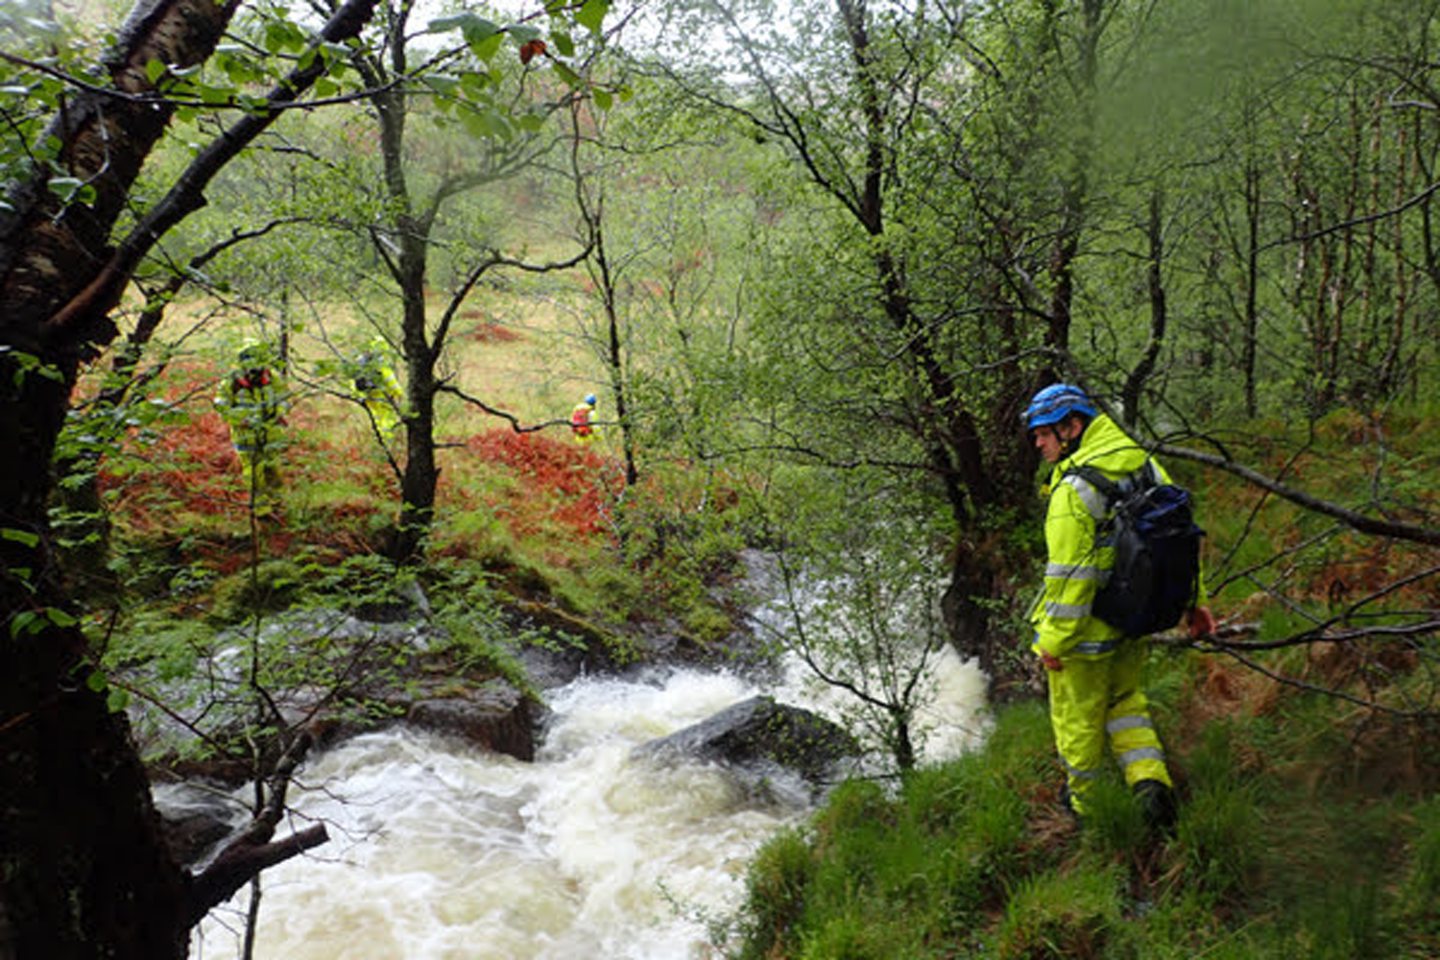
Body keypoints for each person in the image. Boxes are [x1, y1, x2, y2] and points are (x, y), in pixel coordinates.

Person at [1023, 382, 1216, 833]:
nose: (1037, 442)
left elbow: (1070, 581)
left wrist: (1052, 642)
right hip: (1136, 619)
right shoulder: (1144, 464)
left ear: (1072, 427)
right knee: (1126, 702)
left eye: (1044, 432)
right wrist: (1196, 605)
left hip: (1086, 636)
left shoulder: (1073, 492)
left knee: (1078, 721)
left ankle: (1088, 810)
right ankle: (1151, 786)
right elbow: (1180, 541)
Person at [215, 340, 288, 514]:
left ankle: (278, 504)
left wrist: (278, 414)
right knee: (254, 473)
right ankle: (261, 508)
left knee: (274, 469)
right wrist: (242, 420)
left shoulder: (273, 377)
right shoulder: (231, 381)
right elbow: (221, 405)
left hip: (271, 433)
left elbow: (282, 398)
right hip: (245, 435)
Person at [349, 337, 404, 442]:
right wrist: (398, 393)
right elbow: (390, 381)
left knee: (375, 419)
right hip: (381, 396)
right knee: (386, 419)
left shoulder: (358, 362)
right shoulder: (380, 364)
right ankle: (387, 441)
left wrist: (358, 396)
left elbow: (353, 382)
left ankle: (376, 439)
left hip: (367, 397)